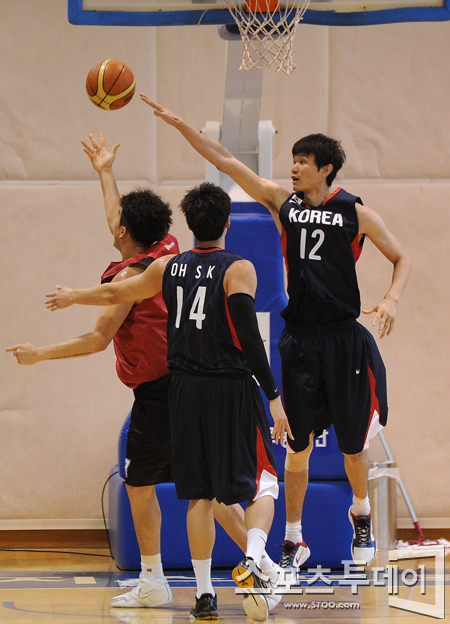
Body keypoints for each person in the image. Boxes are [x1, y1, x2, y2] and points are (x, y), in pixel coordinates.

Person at [136, 95, 412, 572]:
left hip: (344, 337)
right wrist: (181, 124)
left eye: (303, 162)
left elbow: (402, 258)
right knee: (297, 447)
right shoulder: (283, 204)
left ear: (326, 168)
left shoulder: (356, 213)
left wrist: (389, 300)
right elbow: (225, 159)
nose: (294, 169)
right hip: (300, 339)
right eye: (292, 161)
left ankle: (360, 513)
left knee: (352, 446)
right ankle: (293, 538)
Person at [7, 137, 281, 611]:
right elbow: (118, 220)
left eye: (118, 225)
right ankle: (160, 578)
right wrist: (104, 172)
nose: (113, 226)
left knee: (206, 493)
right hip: (176, 388)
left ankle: (262, 572)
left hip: (169, 391)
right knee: (151, 484)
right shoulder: (168, 249)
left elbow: (95, 340)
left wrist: (40, 353)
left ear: (124, 233)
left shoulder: (136, 276)